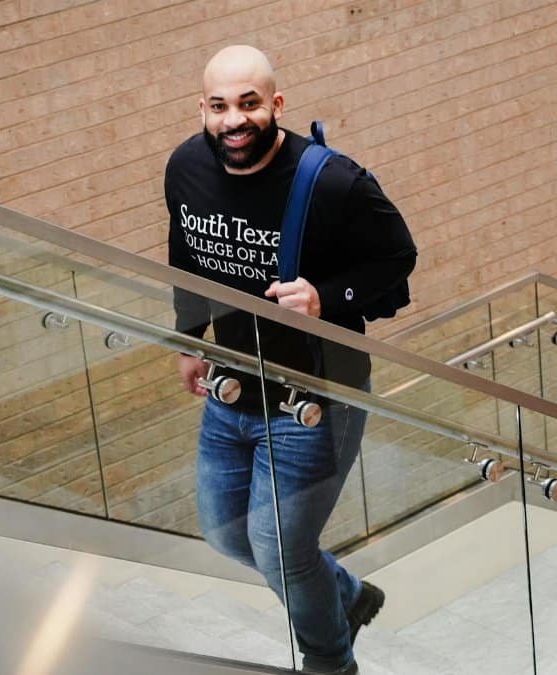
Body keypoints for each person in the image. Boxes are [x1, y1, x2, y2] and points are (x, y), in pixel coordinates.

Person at [164, 45, 417, 674]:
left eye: (249, 103)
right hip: (233, 387)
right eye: (219, 106)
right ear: (202, 109)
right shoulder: (186, 167)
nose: (234, 120)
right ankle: (348, 596)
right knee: (227, 535)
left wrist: (325, 296)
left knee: (280, 548)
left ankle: (331, 661)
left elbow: (397, 262)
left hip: (315, 396)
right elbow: (187, 255)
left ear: (276, 105)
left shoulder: (333, 181)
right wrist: (189, 338)